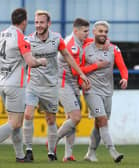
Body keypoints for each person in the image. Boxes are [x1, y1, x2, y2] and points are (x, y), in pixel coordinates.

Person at [22, 11, 90, 162]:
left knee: (51, 120)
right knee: (28, 114)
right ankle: (28, 150)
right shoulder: (28, 40)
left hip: (51, 86)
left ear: (48, 23)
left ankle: (51, 153)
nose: (39, 25)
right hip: (33, 84)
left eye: (42, 22)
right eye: (37, 22)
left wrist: (81, 74)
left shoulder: (57, 39)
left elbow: (67, 56)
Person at [57, 18, 109, 162]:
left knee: (71, 119)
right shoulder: (72, 45)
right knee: (76, 117)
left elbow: (92, 41)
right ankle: (53, 140)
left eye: (88, 31)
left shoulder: (79, 41)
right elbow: (75, 71)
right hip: (64, 83)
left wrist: (107, 41)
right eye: (85, 31)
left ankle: (68, 154)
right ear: (76, 31)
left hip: (72, 84)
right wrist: (95, 67)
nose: (87, 34)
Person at [0, 8, 47, 162]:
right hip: (15, 85)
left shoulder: (2, 34)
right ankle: (20, 155)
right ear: (25, 21)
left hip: (3, 82)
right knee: (15, 122)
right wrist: (41, 61)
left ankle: (20, 156)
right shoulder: (22, 38)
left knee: (16, 123)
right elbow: (30, 62)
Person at [82, 21, 128, 163]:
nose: (103, 34)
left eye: (105, 32)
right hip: (91, 90)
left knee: (99, 123)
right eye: (100, 31)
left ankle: (90, 153)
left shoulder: (113, 49)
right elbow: (78, 69)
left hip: (107, 91)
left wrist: (124, 78)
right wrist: (96, 66)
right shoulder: (85, 48)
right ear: (94, 32)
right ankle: (113, 151)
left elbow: (123, 67)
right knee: (102, 120)